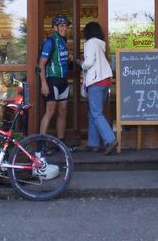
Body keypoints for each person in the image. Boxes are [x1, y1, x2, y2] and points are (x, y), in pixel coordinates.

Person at [78, 21, 118, 155]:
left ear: (88, 32)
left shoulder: (90, 43)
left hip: (95, 81)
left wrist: (81, 64)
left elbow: (89, 63)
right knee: (93, 112)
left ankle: (110, 140)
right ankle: (93, 143)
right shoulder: (101, 44)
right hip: (105, 80)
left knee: (95, 113)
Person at [38, 15, 72, 147]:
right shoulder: (50, 42)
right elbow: (41, 64)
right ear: (55, 27)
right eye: (62, 26)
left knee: (63, 111)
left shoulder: (63, 41)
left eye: (66, 26)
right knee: (50, 111)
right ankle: (41, 146)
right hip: (52, 80)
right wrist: (43, 83)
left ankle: (61, 144)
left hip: (63, 80)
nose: (64, 28)